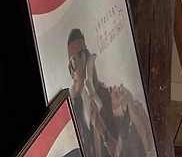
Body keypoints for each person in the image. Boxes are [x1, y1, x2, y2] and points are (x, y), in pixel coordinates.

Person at [66, 29, 154, 157]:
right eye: (69, 68)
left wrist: (104, 131)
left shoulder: (109, 99)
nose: (72, 74)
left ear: (84, 59)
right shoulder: (76, 105)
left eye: (73, 64)